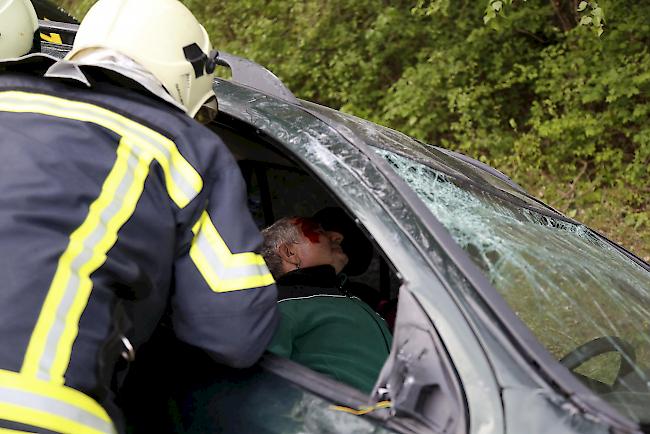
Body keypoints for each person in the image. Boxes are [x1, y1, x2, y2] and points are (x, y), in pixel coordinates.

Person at [0, 0, 278, 433]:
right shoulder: (183, 152)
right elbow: (233, 333)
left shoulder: (7, 103)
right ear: (188, 75)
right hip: (34, 411)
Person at [261, 212, 392, 394]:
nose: (337, 236)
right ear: (290, 253)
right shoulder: (280, 306)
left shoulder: (352, 298)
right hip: (344, 418)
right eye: (319, 231)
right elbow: (263, 386)